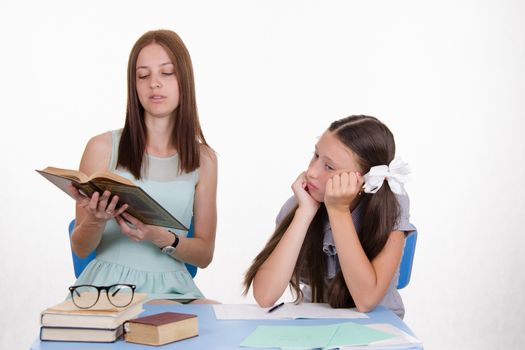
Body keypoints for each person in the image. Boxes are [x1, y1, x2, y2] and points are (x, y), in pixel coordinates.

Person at [69, 29, 218, 303]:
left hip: (174, 289)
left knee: (223, 326)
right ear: (134, 85)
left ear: (184, 79)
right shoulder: (101, 148)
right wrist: (96, 219)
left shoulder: (204, 159)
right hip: (109, 289)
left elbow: (205, 254)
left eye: (167, 72)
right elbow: (80, 247)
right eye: (143, 75)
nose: (154, 84)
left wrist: (163, 238)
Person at [243, 115, 414, 318]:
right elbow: (265, 296)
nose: (311, 172)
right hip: (315, 321)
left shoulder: (390, 206)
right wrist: (305, 212)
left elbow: (366, 301)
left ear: (365, 179)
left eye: (329, 167)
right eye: (316, 155)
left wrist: (338, 211)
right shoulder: (301, 203)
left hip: (377, 323)